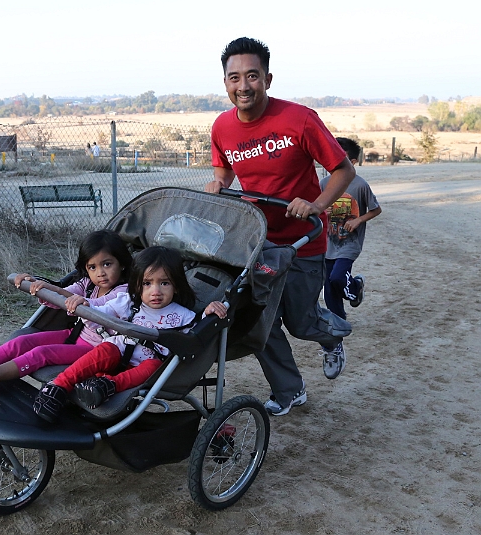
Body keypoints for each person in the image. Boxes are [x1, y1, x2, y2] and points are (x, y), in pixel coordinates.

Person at [204, 37, 356, 416]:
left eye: (252, 76)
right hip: (257, 243)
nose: (243, 86)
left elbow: (343, 169)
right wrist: (220, 182)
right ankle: (290, 390)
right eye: (234, 77)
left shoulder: (299, 119)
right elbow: (224, 165)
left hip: (303, 241)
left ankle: (331, 336)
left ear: (268, 79)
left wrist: (318, 204)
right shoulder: (222, 126)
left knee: (301, 323)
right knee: (261, 323)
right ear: (225, 83)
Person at [0, 229, 133, 406]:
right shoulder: (88, 285)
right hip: (76, 335)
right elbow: (60, 295)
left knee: (41, 353)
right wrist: (38, 285)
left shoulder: (125, 293)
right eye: (93, 267)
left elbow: (96, 308)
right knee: (23, 341)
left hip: (96, 350)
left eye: (107, 264)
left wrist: (70, 297)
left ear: (122, 263)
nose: (100, 273)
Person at [32, 245, 228, 423]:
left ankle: (108, 386)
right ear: (137, 285)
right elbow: (100, 314)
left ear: (176, 285)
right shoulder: (128, 302)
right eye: (147, 283)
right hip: (117, 353)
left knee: (153, 365)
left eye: (164, 283)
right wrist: (85, 305)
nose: (155, 291)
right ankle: (58, 386)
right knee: (106, 349)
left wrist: (209, 312)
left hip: (147, 364)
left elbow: (197, 336)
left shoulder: (183, 315)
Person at [320, 137, 382, 320]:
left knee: (338, 277)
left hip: (350, 243)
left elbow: (376, 209)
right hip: (328, 243)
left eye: (342, 158)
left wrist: (358, 220)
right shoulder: (324, 184)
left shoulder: (360, 185)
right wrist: (323, 210)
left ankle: (355, 287)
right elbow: (317, 210)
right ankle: (339, 321)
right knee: (329, 287)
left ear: (353, 162)